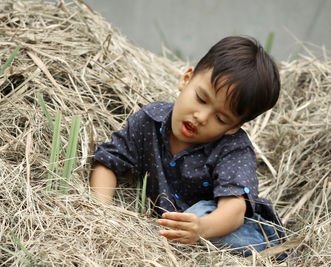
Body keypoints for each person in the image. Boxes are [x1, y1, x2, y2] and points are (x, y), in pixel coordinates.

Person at [90, 36, 287, 259]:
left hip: (227, 227)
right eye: (201, 99)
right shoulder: (150, 121)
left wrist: (201, 228)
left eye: (221, 119)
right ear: (186, 79)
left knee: (209, 217)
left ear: (234, 127)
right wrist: (102, 213)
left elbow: (234, 212)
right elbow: (108, 161)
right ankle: (161, 240)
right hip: (178, 228)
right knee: (174, 230)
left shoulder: (233, 149)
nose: (201, 117)